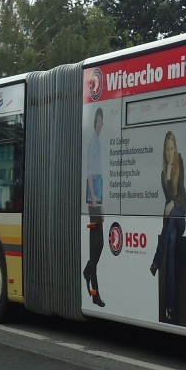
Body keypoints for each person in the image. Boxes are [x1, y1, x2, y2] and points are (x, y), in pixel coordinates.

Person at [150, 131, 186, 321]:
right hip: (171, 222)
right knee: (171, 244)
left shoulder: (179, 164)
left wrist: (172, 204)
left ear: (175, 149)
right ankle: (170, 307)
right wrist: (168, 206)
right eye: (167, 149)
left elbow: (180, 196)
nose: (170, 152)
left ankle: (157, 259)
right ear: (164, 152)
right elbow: (166, 203)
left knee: (172, 216)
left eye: (172, 148)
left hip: (181, 215)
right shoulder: (162, 173)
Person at [82, 108, 106, 307]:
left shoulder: (99, 142)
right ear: (94, 123)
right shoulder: (92, 143)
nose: (100, 124)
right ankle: (95, 294)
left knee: (100, 244)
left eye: (102, 121)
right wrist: (94, 198)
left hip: (98, 193)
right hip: (93, 195)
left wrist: (102, 202)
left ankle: (88, 271)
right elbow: (89, 172)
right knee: (95, 244)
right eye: (97, 121)